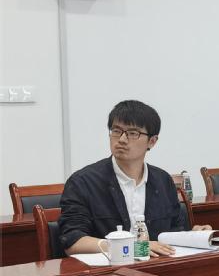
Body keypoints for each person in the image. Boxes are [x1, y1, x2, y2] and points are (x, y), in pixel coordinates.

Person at [59, 100, 210, 257]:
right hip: (107, 269)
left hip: (156, 266)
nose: (122, 139)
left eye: (132, 133)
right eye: (116, 131)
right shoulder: (83, 182)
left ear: (152, 141)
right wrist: (130, 247)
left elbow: (175, 231)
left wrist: (193, 235)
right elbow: (73, 242)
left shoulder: (163, 181)